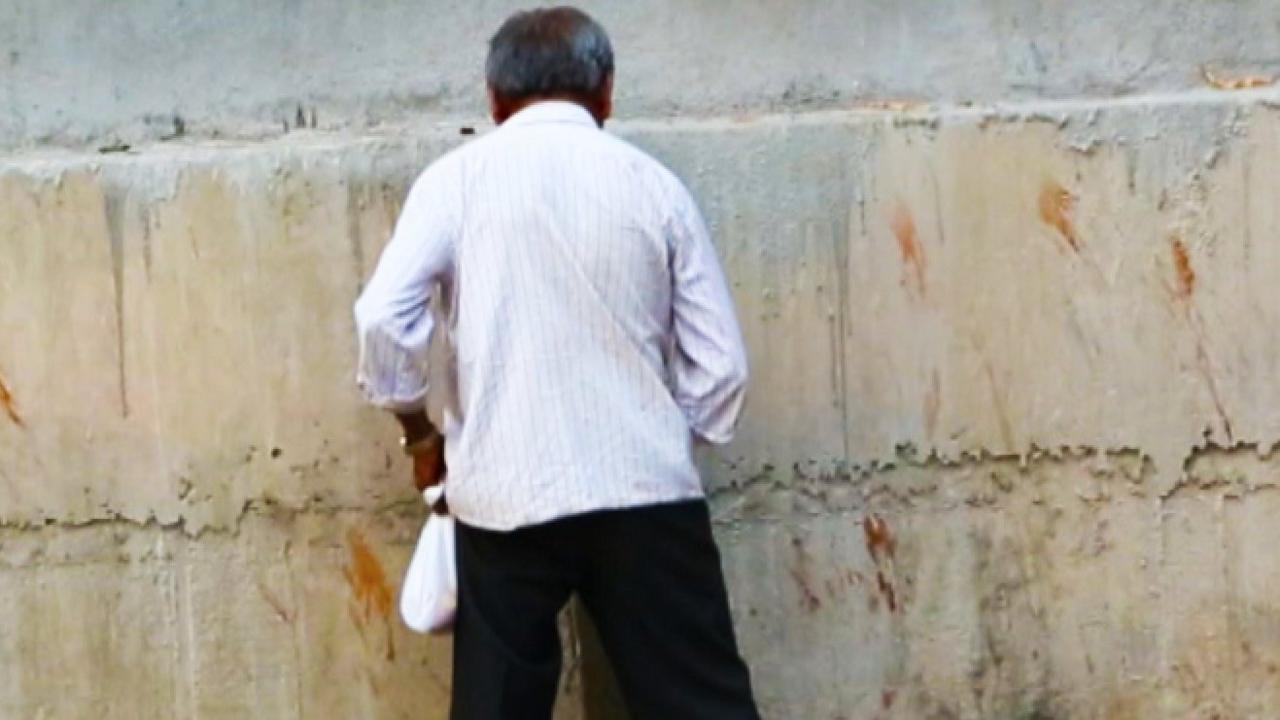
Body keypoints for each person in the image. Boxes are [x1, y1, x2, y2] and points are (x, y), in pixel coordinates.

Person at [353, 6, 760, 719]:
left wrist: (422, 437)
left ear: (494, 99)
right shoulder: (653, 186)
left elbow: (384, 318)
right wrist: (654, 437)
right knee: (700, 704)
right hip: (644, 497)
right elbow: (721, 366)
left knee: (498, 707)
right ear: (606, 92)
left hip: (505, 495)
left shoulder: (455, 182)